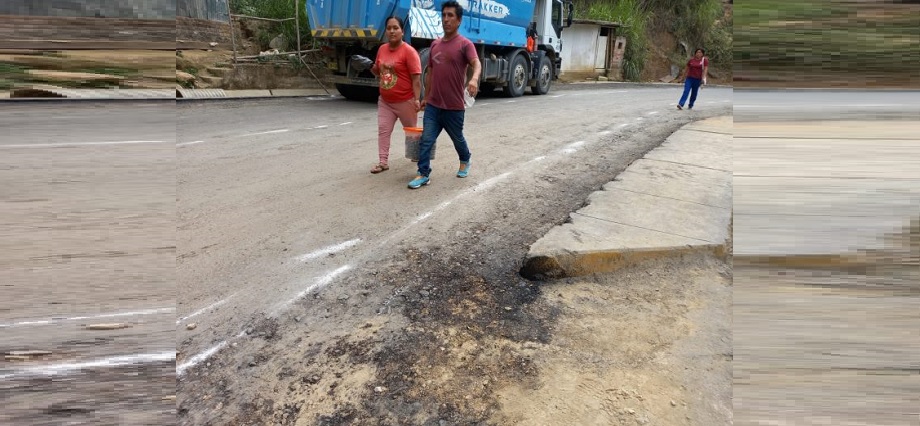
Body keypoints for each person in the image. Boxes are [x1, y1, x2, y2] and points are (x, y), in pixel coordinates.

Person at [408, 0, 482, 189]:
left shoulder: (465, 44)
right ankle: (423, 173)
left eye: (450, 16)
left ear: (459, 20)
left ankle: (465, 158)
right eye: (444, 15)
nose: (446, 19)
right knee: (426, 141)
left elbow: (476, 63)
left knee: (457, 139)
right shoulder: (435, 45)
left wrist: (473, 80)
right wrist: (426, 97)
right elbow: (430, 73)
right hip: (433, 105)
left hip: (454, 107)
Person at [369, 16, 422, 174]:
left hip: (406, 100)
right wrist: (368, 66)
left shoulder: (409, 52)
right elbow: (378, 72)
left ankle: (417, 155)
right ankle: (383, 161)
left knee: (412, 131)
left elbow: (416, 79)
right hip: (386, 101)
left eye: (395, 28)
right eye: (389, 28)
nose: (392, 31)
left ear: (402, 31)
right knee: (383, 130)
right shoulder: (382, 49)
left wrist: (417, 100)